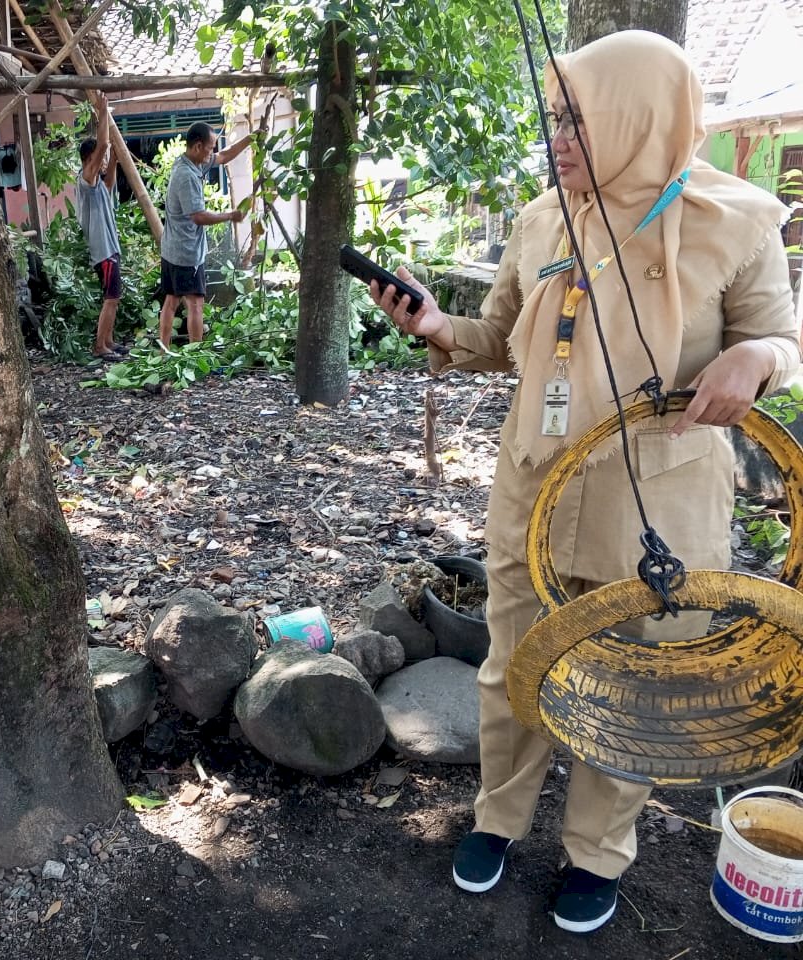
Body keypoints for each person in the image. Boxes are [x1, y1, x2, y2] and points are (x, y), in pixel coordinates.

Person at [370, 31, 800, 934]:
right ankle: (499, 818)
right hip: (534, 483)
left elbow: (784, 346)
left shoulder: (739, 221)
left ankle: (598, 852)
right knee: (512, 662)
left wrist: (757, 357)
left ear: (636, 116)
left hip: (664, 500)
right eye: (555, 114)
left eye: (577, 117)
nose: (556, 134)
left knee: (633, 676)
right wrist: (437, 325)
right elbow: (500, 342)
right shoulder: (541, 219)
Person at [158, 121, 254, 349]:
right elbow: (198, 216)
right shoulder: (187, 176)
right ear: (198, 146)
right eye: (210, 147)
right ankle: (195, 356)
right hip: (185, 252)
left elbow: (224, 156)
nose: (212, 152)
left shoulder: (190, 162)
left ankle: (163, 350)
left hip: (171, 249)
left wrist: (250, 138)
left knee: (171, 301)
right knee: (195, 305)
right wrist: (230, 216)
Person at [77, 91, 126, 360]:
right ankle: (100, 345)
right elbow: (104, 146)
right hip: (103, 251)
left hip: (110, 249)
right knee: (111, 298)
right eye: (100, 158)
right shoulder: (86, 179)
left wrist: (116, 158)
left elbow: (109, 183)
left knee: (114, 296)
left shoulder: (99, 187)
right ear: (90, 158)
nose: (104, 162)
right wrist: (103, 113)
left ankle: (109, 340)